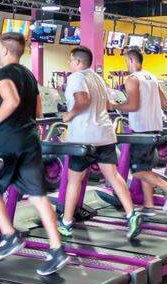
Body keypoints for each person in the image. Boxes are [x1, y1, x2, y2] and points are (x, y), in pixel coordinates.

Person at [0, 32, 68, 275]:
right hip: (30, 139)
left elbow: (13, 100)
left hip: (8, 139)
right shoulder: (29, 75)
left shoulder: (0, 73)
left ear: (4, 50)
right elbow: (37, 111)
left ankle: (9, 235)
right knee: (38, 196)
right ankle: (57, 249)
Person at [60, 45, 142, 238]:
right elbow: (107, 103)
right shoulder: (97, 78)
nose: (70, 64)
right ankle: (131, 214)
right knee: (113, 176)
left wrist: (67, 116)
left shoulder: (76, 77)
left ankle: (66, 223)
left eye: (71, 60)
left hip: (83, 139)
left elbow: (82, 100)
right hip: (104, 135)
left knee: (74, 180)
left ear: (78, 62)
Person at [110, 46, 167, 216]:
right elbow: (165, 103)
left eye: (126, 61)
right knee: (146, 169)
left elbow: (132, 106)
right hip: (155, 128)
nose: (126, 65)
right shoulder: (152, 77)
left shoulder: (132, 79)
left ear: (132, 60)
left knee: (138, 171)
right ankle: (149, 206)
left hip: (141, 130)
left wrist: (114, 105)